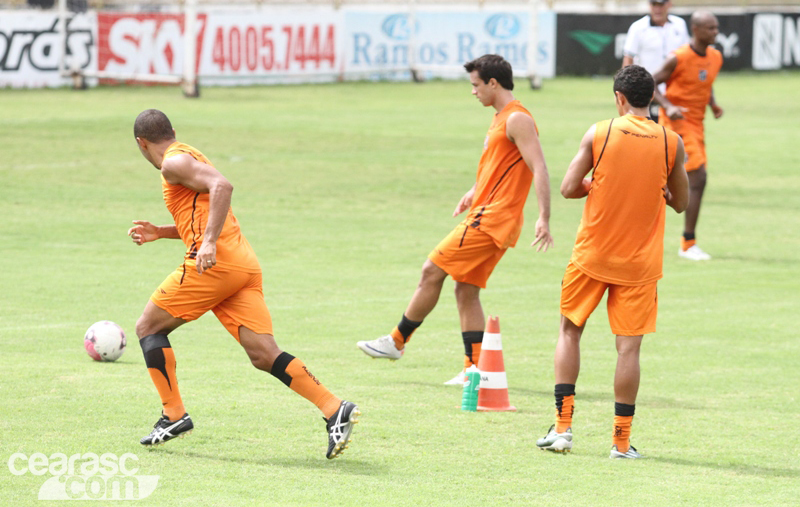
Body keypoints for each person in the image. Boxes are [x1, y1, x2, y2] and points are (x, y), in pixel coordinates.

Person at [128, 109, 359, 459]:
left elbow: (222, 186)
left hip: (214, 266)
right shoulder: (187, 152)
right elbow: (204, 210)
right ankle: (333, 408)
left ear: (141, 144)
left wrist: (206, 244)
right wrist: (162, 232)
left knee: (148, 326)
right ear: (172, 131)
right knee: (264, 354)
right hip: (241, 264)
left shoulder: (171, 164)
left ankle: (173, 415)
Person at [356, 54, 553, 385]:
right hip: (489, 214)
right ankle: (474, 370)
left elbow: (540, 168)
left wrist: (544, 217)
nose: (472, 91)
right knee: (465, 290)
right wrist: (474, 189)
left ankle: (396, 341)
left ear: (493, 83)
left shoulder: (517, 119)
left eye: (475, 85)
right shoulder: (501, 117)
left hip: (492, 219)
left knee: (431, 270)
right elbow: (503, 164)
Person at [536, 65, 689, 459]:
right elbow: (682, 202)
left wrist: (594, 184)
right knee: (629, 350)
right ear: (651, 97)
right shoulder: (672, 142)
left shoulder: (600, 132)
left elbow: (569, 187)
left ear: (619, 98)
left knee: (570, 332)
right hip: (639, 265)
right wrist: (661, 194)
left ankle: (563, 429)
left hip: (592, 255)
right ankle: (620, 442)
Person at [653, 11, 724, 261]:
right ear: (696, 30)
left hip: (697, 125)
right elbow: (651, 82)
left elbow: (706, 81)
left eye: (716, 28)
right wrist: (667, 105)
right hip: (676, 123)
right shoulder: (679, 57)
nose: (715, 32)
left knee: (673, 180)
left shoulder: (715, 57)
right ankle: (688, 243)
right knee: (698, 176)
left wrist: (713, 104)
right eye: (710, 28)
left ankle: (685, 240)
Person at [621, 0, 689, 122]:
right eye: (654, 5)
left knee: (674, 136)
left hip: (674, 90)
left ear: (669, 4)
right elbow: (628, 59)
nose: (657, 9)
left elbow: (687, 55)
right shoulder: (638, 27)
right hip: (647, 90)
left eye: (661, 5)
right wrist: (626, 89)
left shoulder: (679, 25)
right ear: (649, 5)